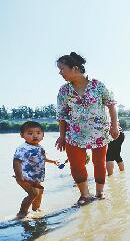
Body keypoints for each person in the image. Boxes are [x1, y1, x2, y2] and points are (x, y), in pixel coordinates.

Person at [55, 52, 120, 205]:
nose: (60, 73)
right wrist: (62, 136)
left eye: (62, 69)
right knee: (76, 165)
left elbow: (111, 105)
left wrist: (114, 126)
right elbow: (61, 115)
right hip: (74, 134)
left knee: (99, 163)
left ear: (75, 68)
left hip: (99, 132)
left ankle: (99, 193)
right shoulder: (63, 91)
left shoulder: (98, 85)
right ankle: (85, 195)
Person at [13, 121, 59, 218]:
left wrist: (53, 161)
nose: (35, 136)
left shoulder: (40, 147)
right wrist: (19, 176)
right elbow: (17, 161)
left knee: (40, 192)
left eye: (38, 133)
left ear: (43, 135)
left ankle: (36, 209)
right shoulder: (23, 148)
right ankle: (22, 212)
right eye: (30, 133)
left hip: (35, 177)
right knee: (33, 193)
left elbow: (43, 158)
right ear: (22, 135)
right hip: (24, 176)